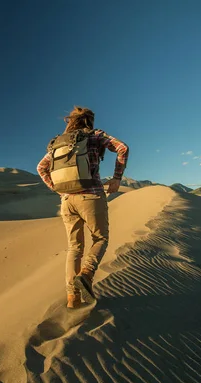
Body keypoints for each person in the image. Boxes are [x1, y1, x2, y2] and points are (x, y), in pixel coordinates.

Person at [37, 106, 129, 309]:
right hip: (91, 195)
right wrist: (116, 179)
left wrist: (58, 189)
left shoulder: (57, 143)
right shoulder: (95, 135)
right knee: (100, 238)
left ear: (71, 121)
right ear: (90, 121)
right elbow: (122, 148)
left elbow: (41, 167)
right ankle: (86, 274)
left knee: (74, 248)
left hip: (67, 202)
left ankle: (73, 299)